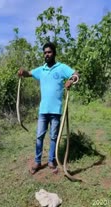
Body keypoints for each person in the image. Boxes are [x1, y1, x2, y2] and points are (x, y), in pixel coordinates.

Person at [17, 42, 80, 174]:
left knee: (53, 137)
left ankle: (51, 161)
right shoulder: (41, 70)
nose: (47, 54)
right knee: (39, 136)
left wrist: (71, 80)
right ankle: (37, 161)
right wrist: (23, 72)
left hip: (56, 110)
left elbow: (75, 73)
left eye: (49, 52)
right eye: (45, 52)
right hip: (43, 110)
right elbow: (29, 73)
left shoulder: (61, 67)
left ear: (54, 53)